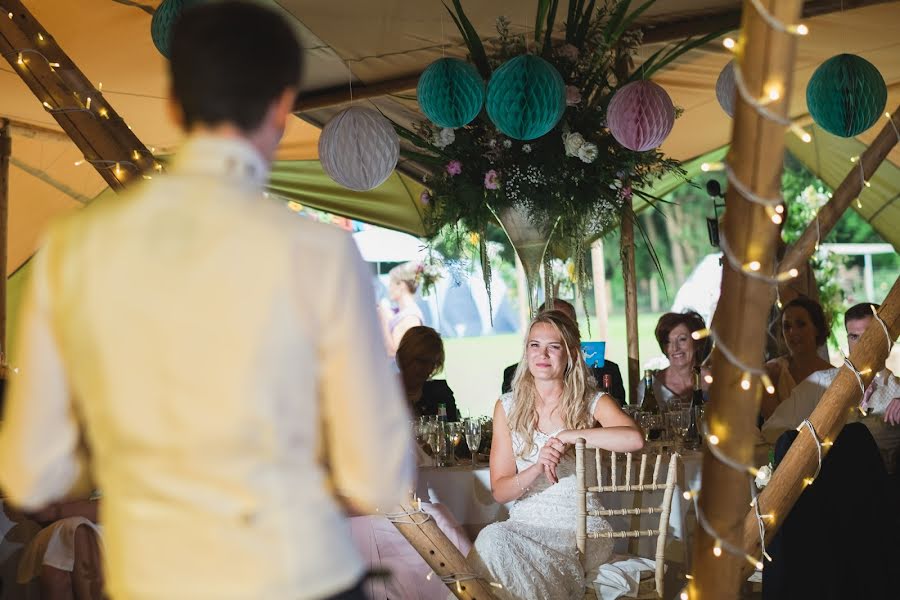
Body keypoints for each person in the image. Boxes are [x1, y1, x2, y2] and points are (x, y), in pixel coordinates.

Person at [0, 3, 414, 600]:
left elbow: (29, 475)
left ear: (174, 105)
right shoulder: (320, 253)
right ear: (280, 105)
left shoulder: (76, 247)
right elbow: (377, 476)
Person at [468, 311, 644, 599]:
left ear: (571, 354)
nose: (542, 354)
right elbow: (500, 491)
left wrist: (568, 436)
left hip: (581, 525)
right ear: (526, 352)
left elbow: (634, 439)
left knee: (496, 546)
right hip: (525, 523)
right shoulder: (507, 406)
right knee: (492, 540)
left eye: (554, 346)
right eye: (534, 345)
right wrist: (538, 466)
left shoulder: (591, 401)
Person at [763, 303, 899, 473]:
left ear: (888, 341)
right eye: (854, 337)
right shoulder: (820, 381)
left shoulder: (898, 391)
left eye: (868, 336)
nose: (862, 345)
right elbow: (773, 430)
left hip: (878, 487)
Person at [501, 299, 626, 406]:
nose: (555, 328)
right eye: (549, 321)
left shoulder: (607, 371)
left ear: (575, 329)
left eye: (564, 324)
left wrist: (570, 435)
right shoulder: (513, 376)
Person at [762, 296, 834, 419]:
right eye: (787, 326)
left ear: (816, 328)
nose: (793, 332)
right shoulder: (772, 372)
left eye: (801, 324)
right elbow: (772, 428)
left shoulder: (834, 376)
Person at [637, 310, 711, 409]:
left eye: (682, 339)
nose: (675, 348)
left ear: (697, 343)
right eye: (668, 342)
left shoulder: (716, 380)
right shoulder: (651, 386)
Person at [396, 326, 459, 421]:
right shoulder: (384, 393)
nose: (428, 369)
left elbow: (452, 429)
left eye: (433, 363)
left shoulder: (440, 394)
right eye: (422, 361)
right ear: (404, 357)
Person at [378, 261, 425, 357]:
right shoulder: (401, 312)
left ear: (401, 285)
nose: (389, 288)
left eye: (391, 283)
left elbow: (394, 352)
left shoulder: (411, 317)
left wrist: (384, 319)